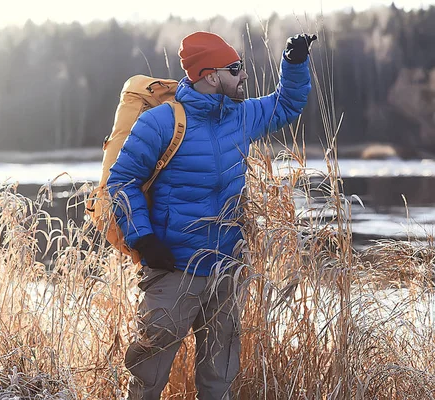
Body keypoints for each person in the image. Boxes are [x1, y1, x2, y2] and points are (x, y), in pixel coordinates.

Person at [107, 31, 315, 400]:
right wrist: (144, 239)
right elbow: (122, 181)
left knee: (219, 380)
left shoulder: (242, 116)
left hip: (225, 270)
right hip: (172, 270)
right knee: (147, 378)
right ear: (210, 75)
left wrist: (294, 62)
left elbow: (286, 104)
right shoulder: (161, 123)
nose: (244, 76)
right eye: (235, 69)